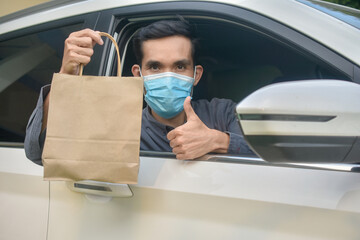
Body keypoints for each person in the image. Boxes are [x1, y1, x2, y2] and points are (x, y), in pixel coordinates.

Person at [24, 19, 252, 165]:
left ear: (196, 74)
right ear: (138, 74)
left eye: (180, 66)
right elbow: (38, 152)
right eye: (155, 67)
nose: (168, 76)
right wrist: (66, 75)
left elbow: (273, 157)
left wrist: (217, 141)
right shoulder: (118, 127)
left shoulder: (223, 112)